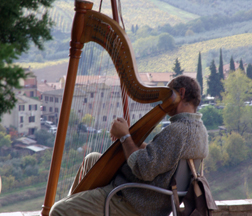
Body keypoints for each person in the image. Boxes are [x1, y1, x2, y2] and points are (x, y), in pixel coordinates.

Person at [50, 75, 209, 216]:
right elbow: (164, 159)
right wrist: (133, 140)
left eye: (168, 95)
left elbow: (143, 169)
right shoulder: (199, 131)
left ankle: (71, 207)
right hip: (153, 201)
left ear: (180, 93)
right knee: (92, 160)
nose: (163, 101)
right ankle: (76, 204)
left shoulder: (177, 132)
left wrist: (125, 137)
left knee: (58, 210)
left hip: (133, 202)